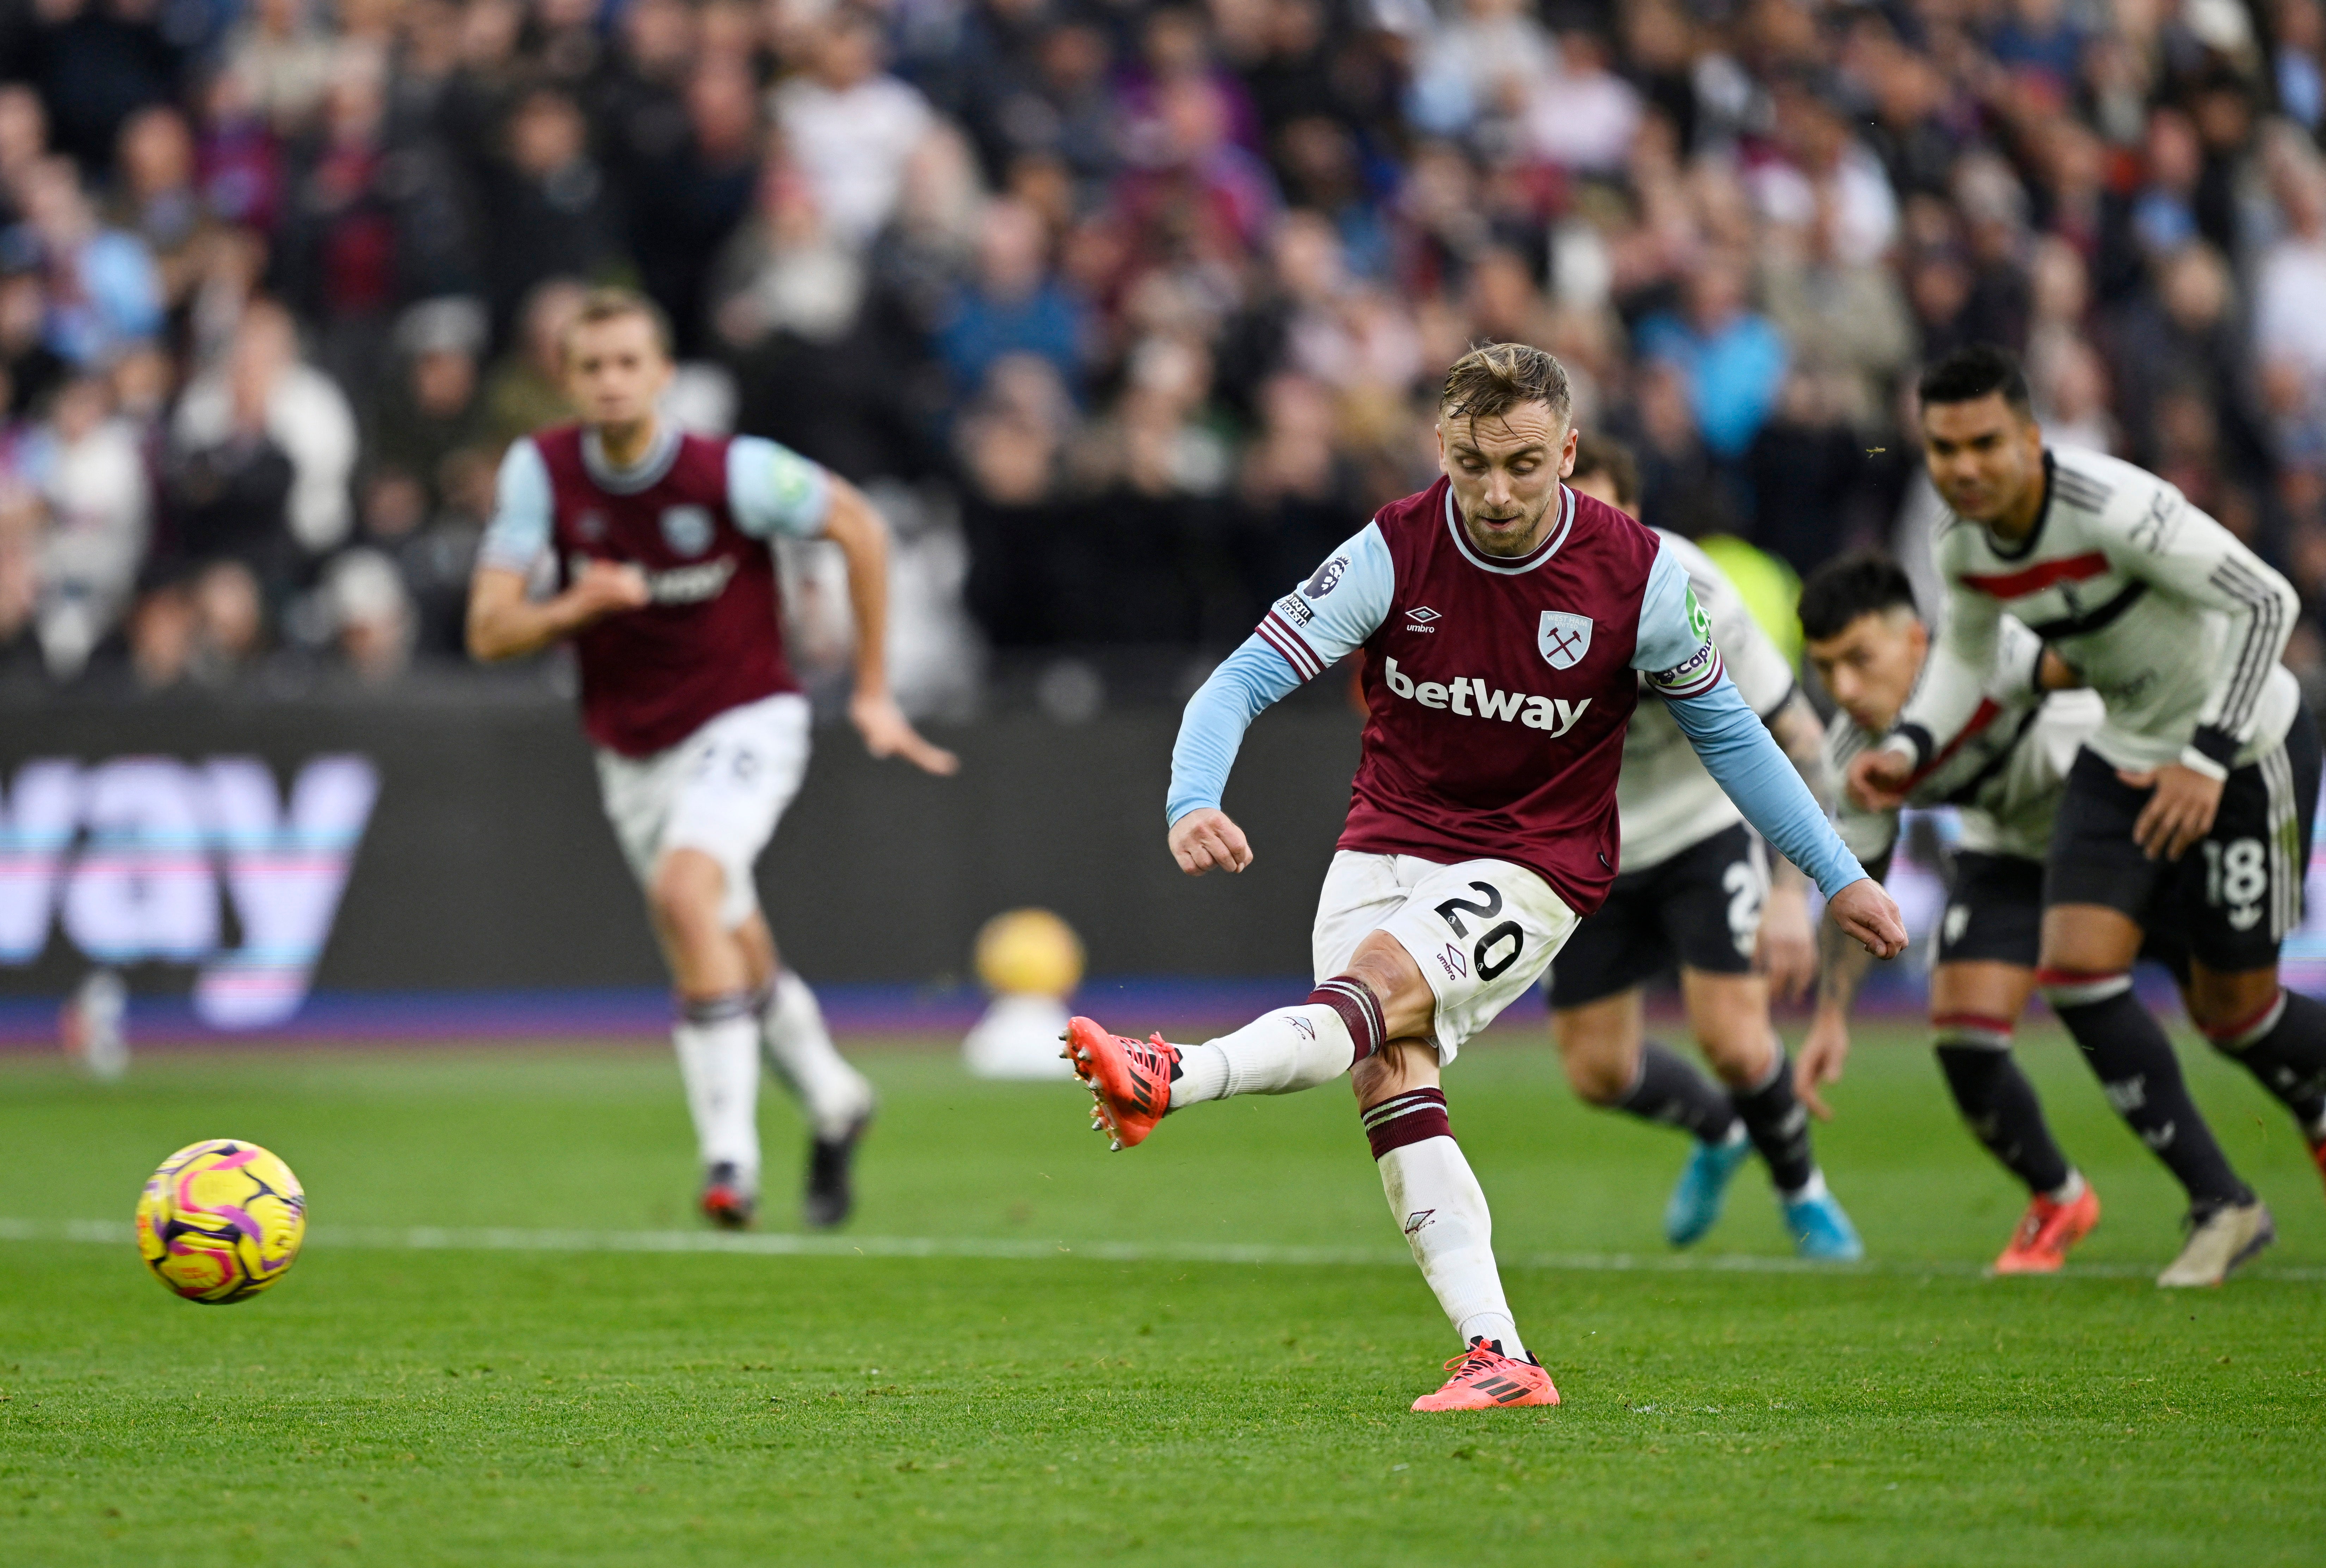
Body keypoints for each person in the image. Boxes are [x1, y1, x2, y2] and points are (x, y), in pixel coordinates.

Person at [1064, 344, 1907, 1412]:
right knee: (1385, 1069)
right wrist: (1194, 797)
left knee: (1366, 997)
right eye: (1471, 464)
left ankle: (1172, 1077)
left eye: (1521, 464)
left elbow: (1737, 741)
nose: (1496, 492)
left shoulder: (1641, 576)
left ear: (1566, 450)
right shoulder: (1391, 547)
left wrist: (1834, 875)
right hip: (1385, 837)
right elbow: (1239, 678)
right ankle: (1498, 1354)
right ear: (1441, 451)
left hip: (1532, 859)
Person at [466, 286, 957, 1229]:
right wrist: (576, 606)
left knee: (688, 894)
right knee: (723, 935)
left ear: (661, 375)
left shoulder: (730, 473)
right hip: (631, 750)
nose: (611, 382)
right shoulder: (541, 471)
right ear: (567, 380)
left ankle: (729, 1159)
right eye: (591, 366)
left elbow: (856, 523)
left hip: (747, 717)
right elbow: (489, 630)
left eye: (627, 364)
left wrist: (871, 688)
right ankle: (835, 1099)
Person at [1849, 344, 2326, 1287]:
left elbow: (2269, 604)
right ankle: (2220, 1204)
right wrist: (1907, 746)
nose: (1965, 468)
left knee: (2237, 1014)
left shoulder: (2115, 508)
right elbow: (1963, 659)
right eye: (1944, 450)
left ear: (2030, 438)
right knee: (2074, 969)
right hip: (2127, 749)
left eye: (1985, 443)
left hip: (2247, 744)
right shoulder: (1964, 542)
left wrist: (2206, 756)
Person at [1797, 552, 2255, 1274]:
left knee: (2231, 1015)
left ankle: (2279, 1145)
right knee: (1961, 1032)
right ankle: (2059, 1195)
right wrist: (1829, 1016)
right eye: (1824, 669)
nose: (1843, 689)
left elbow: (2116, 662)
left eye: (1859, 658)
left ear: (1917, 637)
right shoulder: (1856, 751)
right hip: (2007, 850)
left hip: (2129, 837)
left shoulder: (2004, 653)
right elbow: (1859, 887)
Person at [1547, 436, 1859, 1259]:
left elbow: (1798, 735)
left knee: (1732, 1036)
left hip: (1699, 823)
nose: (1580, 529)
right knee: (1595, 1073)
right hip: (1587, 844)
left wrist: (1794, 893)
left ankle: (1804, 1194)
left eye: (1600, 510)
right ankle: (1721, 1132)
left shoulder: (1693, 589)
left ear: (1637, 515)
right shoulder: (1511, 594)